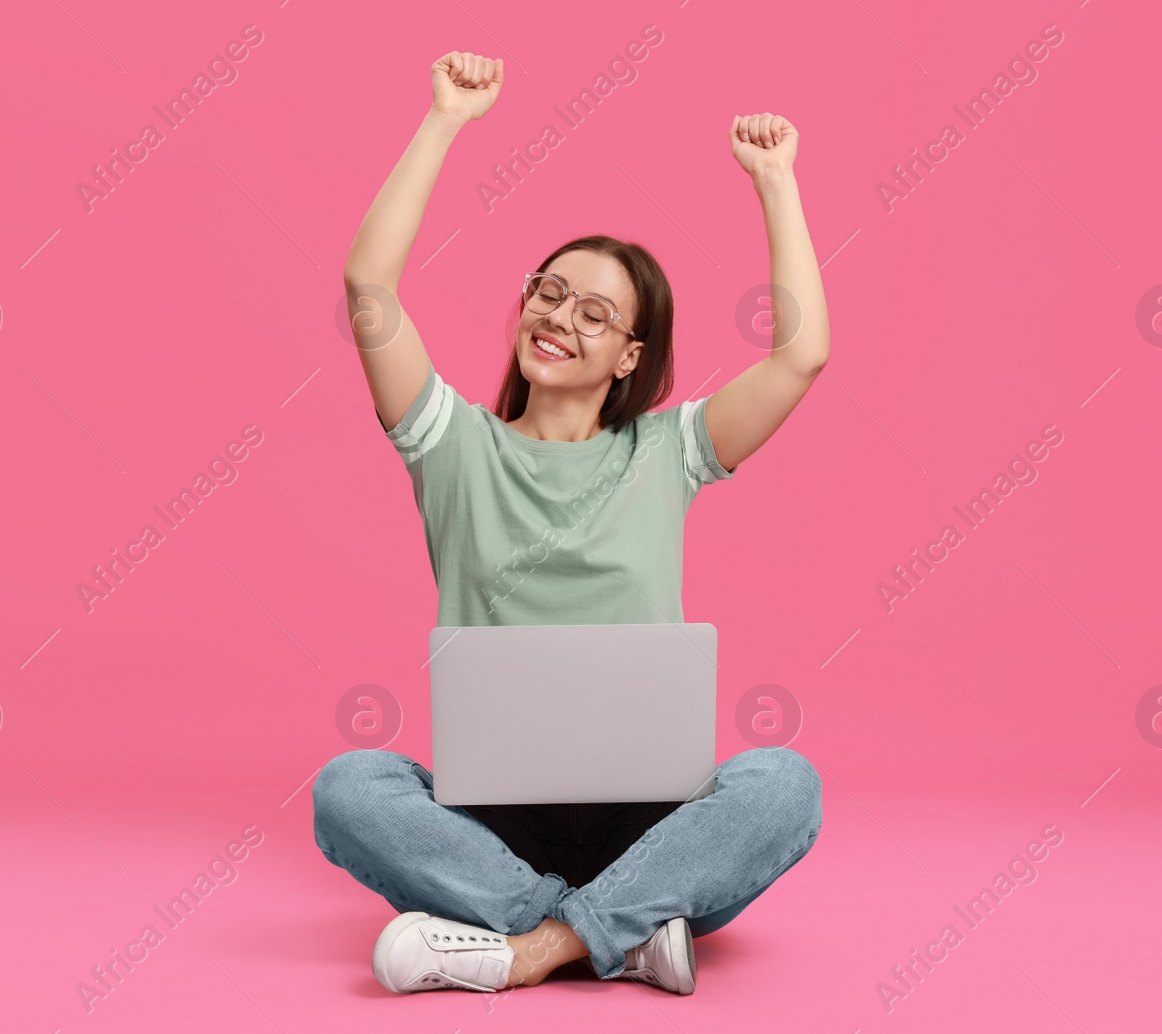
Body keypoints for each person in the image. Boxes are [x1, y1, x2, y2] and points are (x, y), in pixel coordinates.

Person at [314, 50, 830, 996]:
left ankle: (526, 947)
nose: (558, 317)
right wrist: (446, 121)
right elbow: (369, 292)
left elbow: (801, 358)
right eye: (548, 293)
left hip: (649, 816)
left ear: (631, 356)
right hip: (493, 822)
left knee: (785, 785)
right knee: (349, 789)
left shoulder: (667, 452)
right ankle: (622, 931)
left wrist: (775, 182)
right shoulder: (452, 446)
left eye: (595, 313)